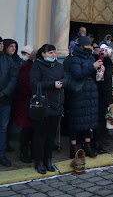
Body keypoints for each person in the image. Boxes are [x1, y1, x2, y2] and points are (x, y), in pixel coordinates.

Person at [29, 44, 69, 174]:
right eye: (50, 53)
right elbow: (35, 84)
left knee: (51, 137)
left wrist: (63, 82)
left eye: (55, 52)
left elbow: (66, 78)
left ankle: (48, 160)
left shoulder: (58, 65)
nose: (54, 55)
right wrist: (52, 84)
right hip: (43, 106)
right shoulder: (37, 66)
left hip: (57, 106)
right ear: (43, 54)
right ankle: (39, 162)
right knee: (40, 136)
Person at [69, 36, 102, 158]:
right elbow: (77, 74)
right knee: (76, 120)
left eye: (90, 45)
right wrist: (92, 67)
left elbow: (95, 76)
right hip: (79, 91)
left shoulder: (92, 57)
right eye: (87, 45)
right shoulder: (75, 59)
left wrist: (100, 70)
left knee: (90, 120)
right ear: (81, 46)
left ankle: (87, 145)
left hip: (91, 92)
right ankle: (73, 146)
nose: (89, 47)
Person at [14, 48, 37, 164]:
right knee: (26, 130)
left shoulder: (37, 67)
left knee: (34, 130)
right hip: (26, 103)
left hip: (36, 103)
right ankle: (24, 152)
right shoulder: (25, 67)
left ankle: (33, 152)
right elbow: (24, 85)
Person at [92, 45, 113, 154]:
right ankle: (97, 144)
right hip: (101, 97)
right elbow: (106, 83)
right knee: (100, 122)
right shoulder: (106, 63)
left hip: (93, 95)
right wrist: (110, 100)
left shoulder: (94, 61)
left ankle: (93, 143)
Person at [0, 37, 18, 167]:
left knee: (3, 128)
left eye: (2, 43)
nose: (1, 46)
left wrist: (4, 93)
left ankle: (1, 154)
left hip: (4, 100)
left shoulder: (8, 60)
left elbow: (13, 78)